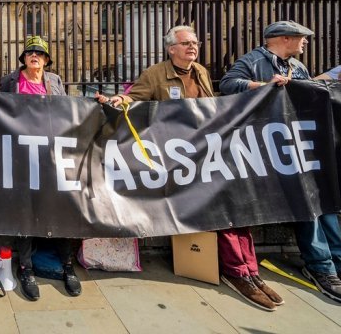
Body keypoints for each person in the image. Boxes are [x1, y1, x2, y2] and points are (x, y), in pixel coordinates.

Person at [99, 25, 283, 311]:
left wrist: (263, 90)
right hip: (181, 158)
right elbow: (135, 96)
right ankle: (237, 272)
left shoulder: (201, 71)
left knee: (238, 208)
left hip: (210, 152)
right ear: (171, 48)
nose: (192, 47)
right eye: (186, 43)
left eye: (195, 42)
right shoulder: (156, 74)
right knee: (221, 212)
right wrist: (118, 99)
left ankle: (251, 270)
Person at [220, 20, 341, 304]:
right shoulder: (253, 60)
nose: (306, 42)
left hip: (299, 144)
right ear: (284, 38)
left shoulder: (298, 68)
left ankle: (336, 260)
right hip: (272, 148)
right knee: (306, 205)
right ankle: (321, 267)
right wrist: (264, 85)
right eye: (302, 37)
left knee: (325, 205)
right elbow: (228, 84)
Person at [0, 35, 81, 302]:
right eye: (30, 52)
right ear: (23, 58)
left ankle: (67, 265)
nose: (35, 55)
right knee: (25, 211)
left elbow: (68, 112)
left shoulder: (55, 82)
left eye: (40, 53)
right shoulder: (11, 82)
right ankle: (26, 268)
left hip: (51, 157)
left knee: (60, 210)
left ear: (46, 60)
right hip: (21, 156)